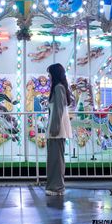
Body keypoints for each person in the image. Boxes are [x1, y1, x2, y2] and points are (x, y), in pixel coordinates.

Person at [46, 63, 72, 196]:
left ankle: (56, 187)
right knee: (55, 158)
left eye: (49, 73)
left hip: (57, 128)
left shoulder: (58, 87)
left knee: (56, 159)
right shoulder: (59, 87)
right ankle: (55, 186)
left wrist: (55, 127)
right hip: (56, 127)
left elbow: (59, 109)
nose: (48, 76)